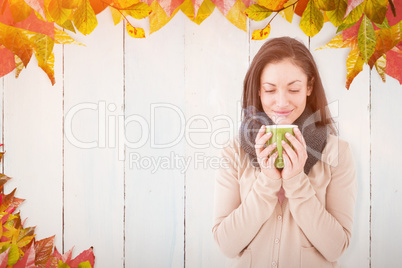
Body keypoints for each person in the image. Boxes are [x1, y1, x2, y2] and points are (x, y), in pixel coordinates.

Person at [212, 37, 357, 268]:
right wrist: (268, 181)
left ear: (309, 87)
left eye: (294, 89)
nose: (281, 102)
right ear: (258, 90)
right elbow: (227, 245)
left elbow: (335, 248)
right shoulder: (234, 152)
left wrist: (296, 180)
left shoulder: (337, 153)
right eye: (270, 89)